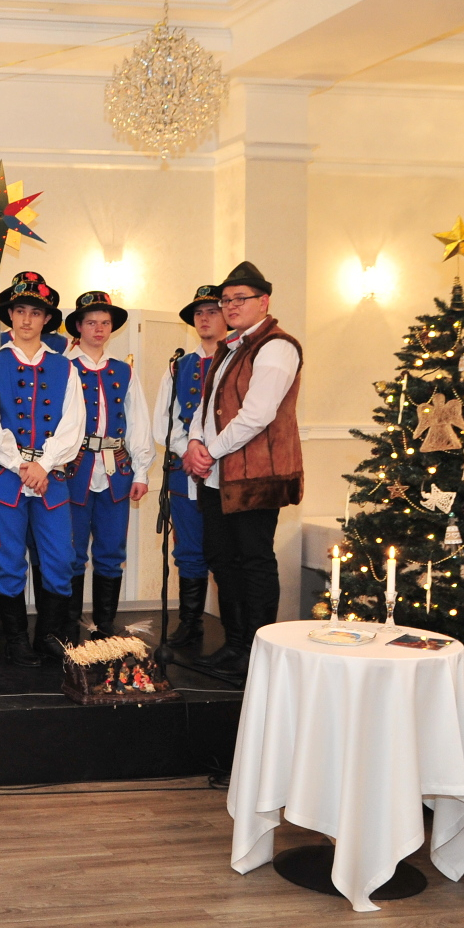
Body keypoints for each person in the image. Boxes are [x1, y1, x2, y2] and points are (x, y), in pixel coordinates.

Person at [181, 261, 302, 684]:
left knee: (253, 561)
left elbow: (257, 414)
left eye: (240, 299)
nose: (230, 306)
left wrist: (208, 452)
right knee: (222, 560)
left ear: (263, 301)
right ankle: (234, 644)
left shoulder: (277, 346)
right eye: (225, 300)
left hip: (256, 477)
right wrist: (194, 443)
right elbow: (205, 405)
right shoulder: (230, 347)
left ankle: (257, 652)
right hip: (218, 475)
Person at [0, 273, 84, 666]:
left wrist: (44, 464)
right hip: (5, 478)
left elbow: (73, 426)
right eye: (20, 311)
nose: (27, 319)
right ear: (10, 316)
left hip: (50, 479)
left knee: (60, 559)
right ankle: (15, 639)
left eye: (35, 312)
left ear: (47, 319)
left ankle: (48, 635)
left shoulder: (65, 368)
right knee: (8, 561)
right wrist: (21, 465)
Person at [63, 291, 151, 641]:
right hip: (75, 471)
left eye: (104, 322)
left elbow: (138, 421)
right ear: (79, 327)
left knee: (111, 551)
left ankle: (104, 627)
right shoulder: (64, 367)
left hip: (116, 472)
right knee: (71, 552)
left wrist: (141, 471)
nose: (98, 329)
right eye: (91, 322)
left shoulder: (123, 371)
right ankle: (69, 626)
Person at [150, 285, 228, 654]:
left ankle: (235, 633)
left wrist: (212, 455)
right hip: (185, 471)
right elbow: (163, 423)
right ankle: (190, 623)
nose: (205, 318)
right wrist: (190, 452)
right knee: (189, 550)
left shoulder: (239, 361)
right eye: (199, 313)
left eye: (212, 311)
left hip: (228, 471)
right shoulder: (178, 367)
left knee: (227, 552)